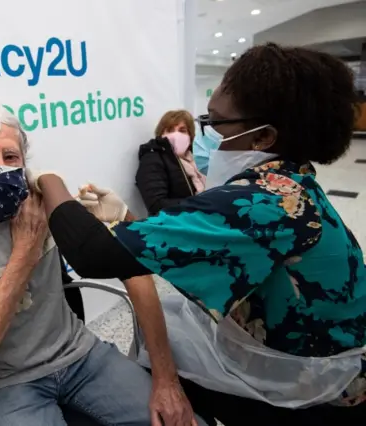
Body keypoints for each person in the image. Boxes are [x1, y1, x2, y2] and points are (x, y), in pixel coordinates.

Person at [30, 43, 366, 426]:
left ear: (263, 137)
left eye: (216, 123)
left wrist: (47, 179)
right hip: (312, 355)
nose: (207, 134)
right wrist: (128, 220)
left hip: (316, 387)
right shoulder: (294, 182)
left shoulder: (266, 203)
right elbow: (202, 253)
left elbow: (92, 252)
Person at [0, 101, 205, 426]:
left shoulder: (41, 198)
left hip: (79, 354)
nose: (0, 169)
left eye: (10, 157)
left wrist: (165, 380)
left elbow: (133, 270)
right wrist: (24, 253)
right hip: (5, 385)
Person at [136, 110, 206, 215]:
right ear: (161, 134)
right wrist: (199, 204)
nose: (176, 135)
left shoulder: (194, 158)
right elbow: (156, 204)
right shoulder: (152, 158)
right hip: (174, 225)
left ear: (190, 136)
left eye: (182, 130)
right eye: (170, 130)